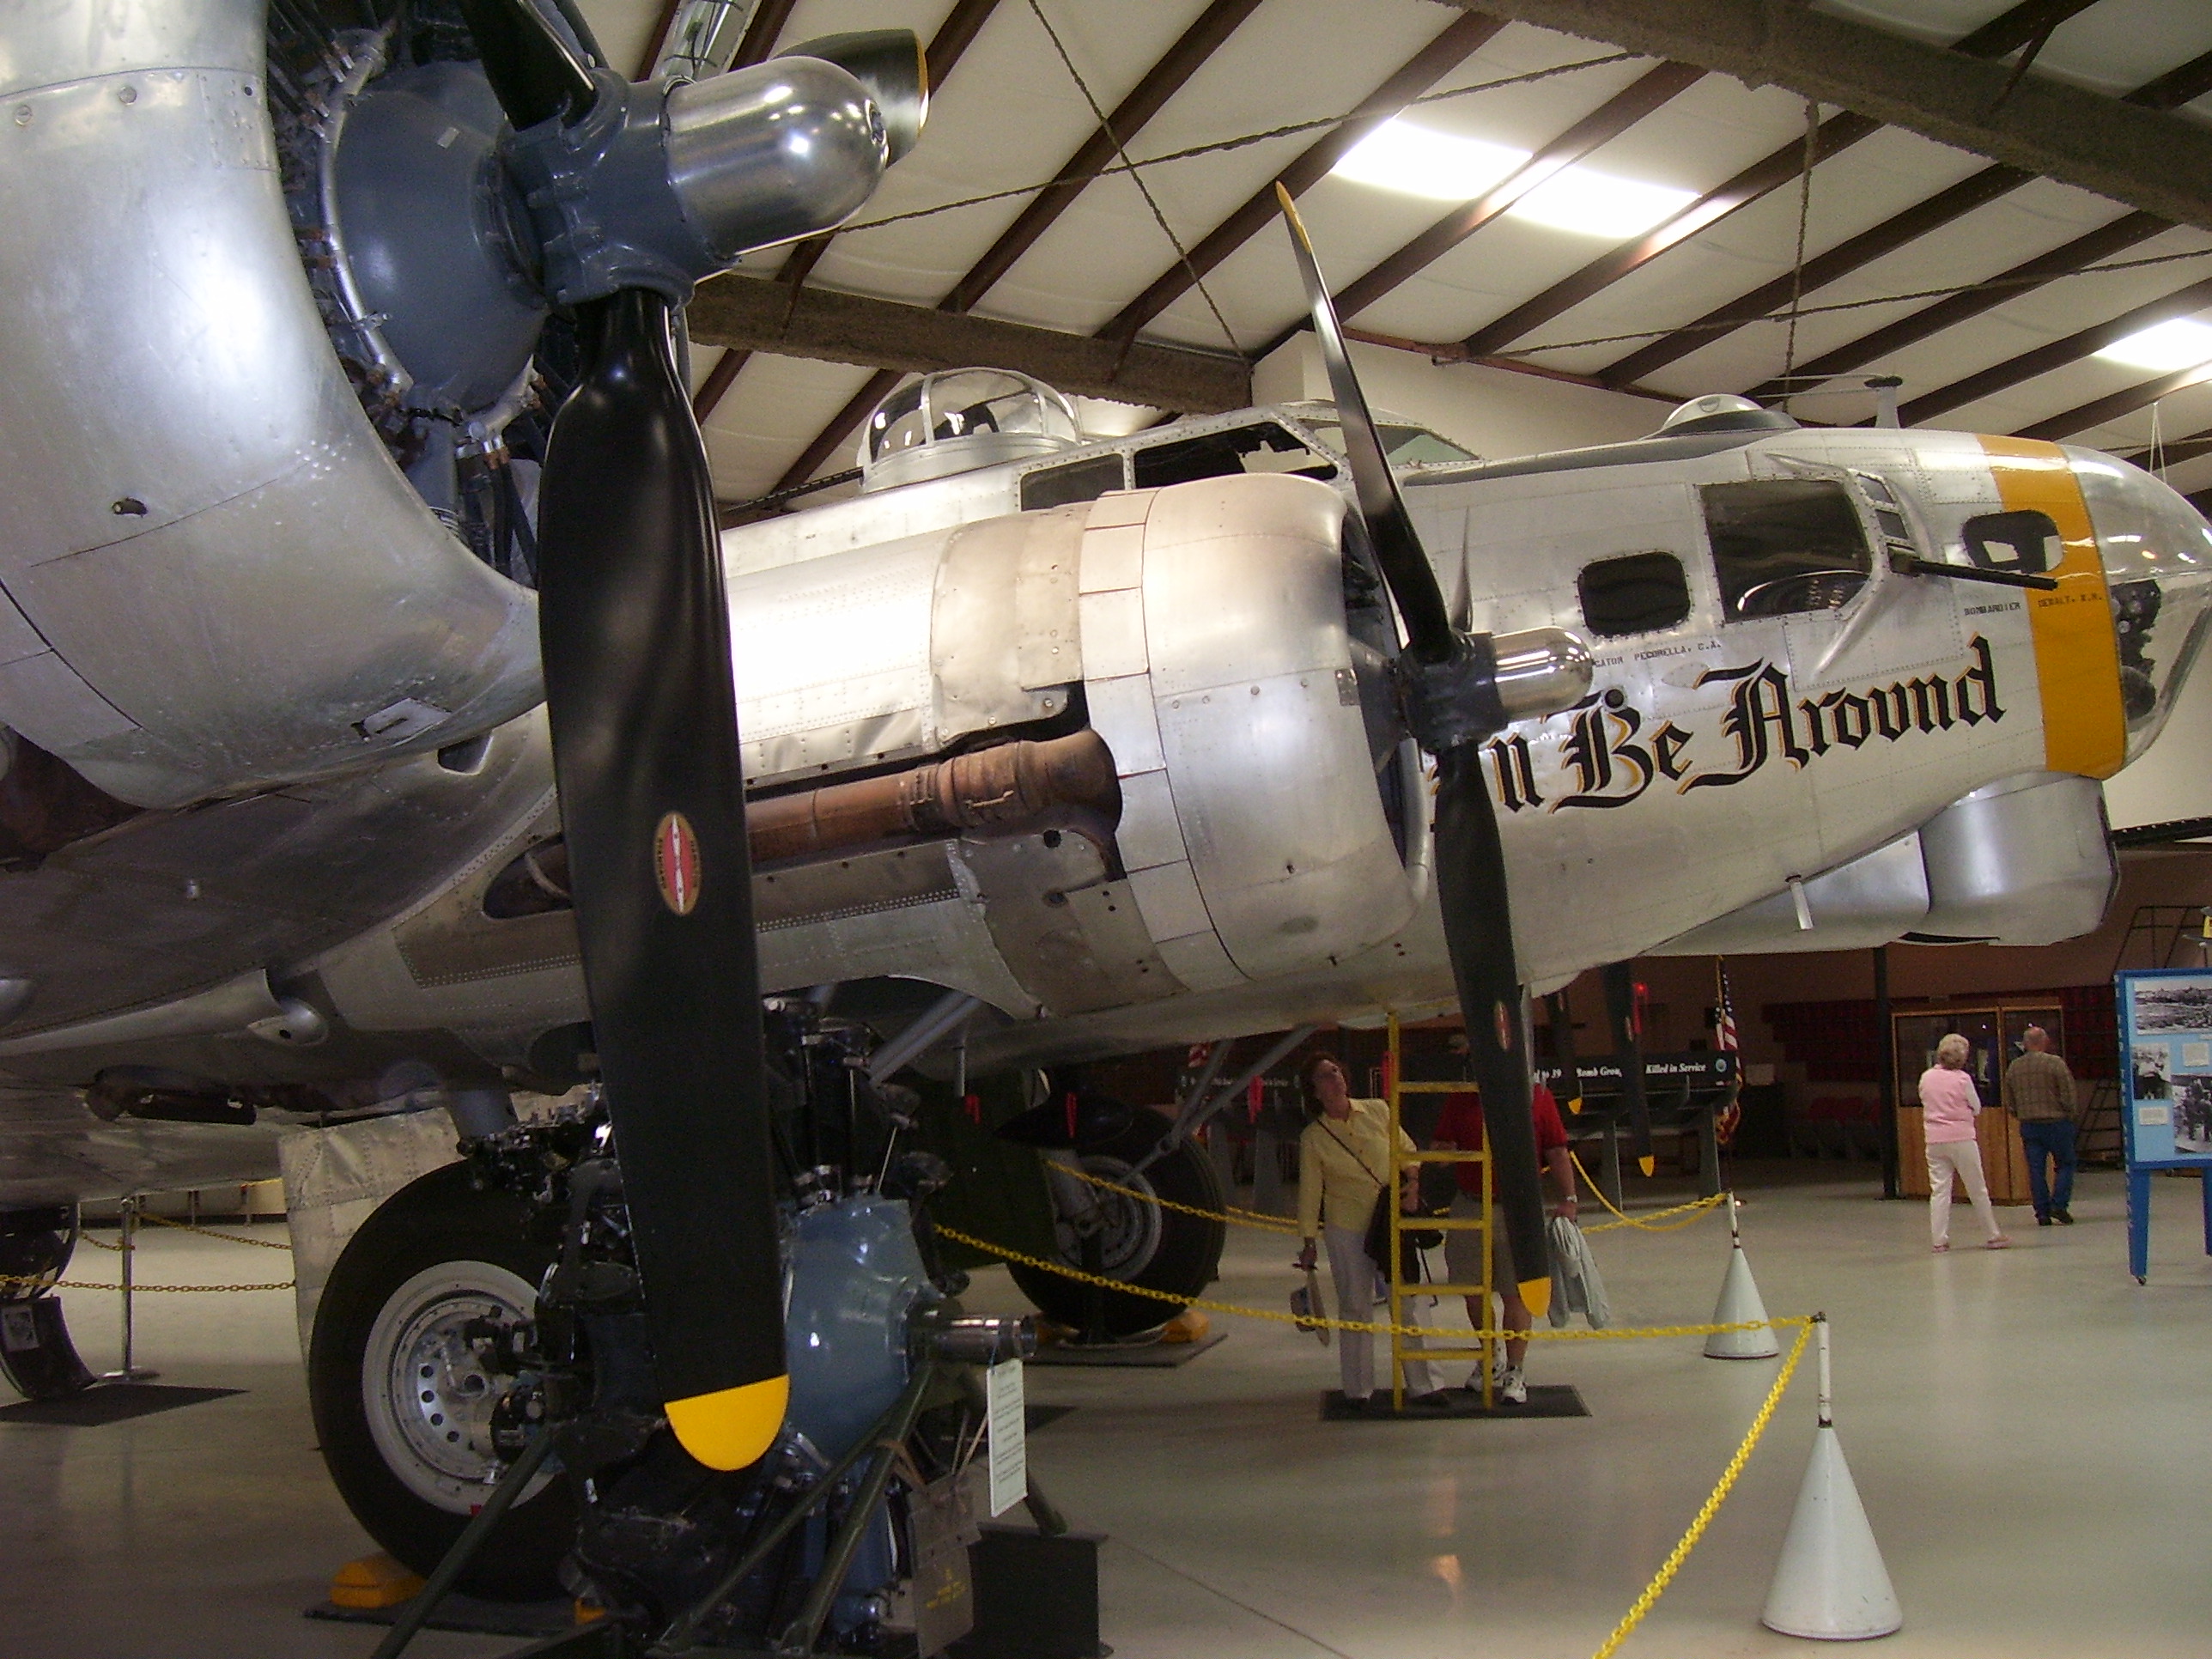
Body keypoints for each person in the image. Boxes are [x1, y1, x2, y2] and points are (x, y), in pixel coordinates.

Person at [1293, 1054, 1444, 1407]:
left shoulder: (1378, 1110)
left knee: (1408, 1300)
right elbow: (1310, 1190)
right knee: (1355, 1305)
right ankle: (1358, 1390)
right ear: (1314, 1091)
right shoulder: (1314, 1137)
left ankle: (1426, 1385)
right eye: (1325, 1076)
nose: (1335, 1078)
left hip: (1392, 1217)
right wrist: (1308, 1241)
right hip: (1347, 1225)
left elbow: (1407, 1152)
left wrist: (1413, 1185)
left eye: (1336, 1071)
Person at [1431, 1078, 1577, 1403]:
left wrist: (1568, 1198)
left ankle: (1515, 1368)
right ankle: (1490, 1357)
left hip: (1518, 1205)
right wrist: (1446, 1152)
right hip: (1470, 1203)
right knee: (1472, 1290)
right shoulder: (1462, 1096)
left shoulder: (1537, 1095)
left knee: (1516, 1292)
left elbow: (1556, 1149)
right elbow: (1441, 1148)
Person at [1921, 1033, 2010, 1251]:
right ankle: (1992, 1234)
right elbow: (1977, 1107)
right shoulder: (1963, 1079)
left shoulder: (1926, 1077)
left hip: (1934, 1140)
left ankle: (1939, 1240)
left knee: (1940, 1190)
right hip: (1961, 1138)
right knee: (1977, 1188)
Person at [2003, 1025, 2078, 1226]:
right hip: (2057, 1123)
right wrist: (2070, 1115)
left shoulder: (2014, 1067)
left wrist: (2021, 1115)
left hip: (2029, 1125)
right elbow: (2068, 1095)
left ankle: (2042, 1212)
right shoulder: (2056, 1064)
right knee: (2065, 1164)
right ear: (2044, 1042)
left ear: (2025, 1044)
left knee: (2036, 1170)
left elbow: (2009, 1101)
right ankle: (2059, 1204)